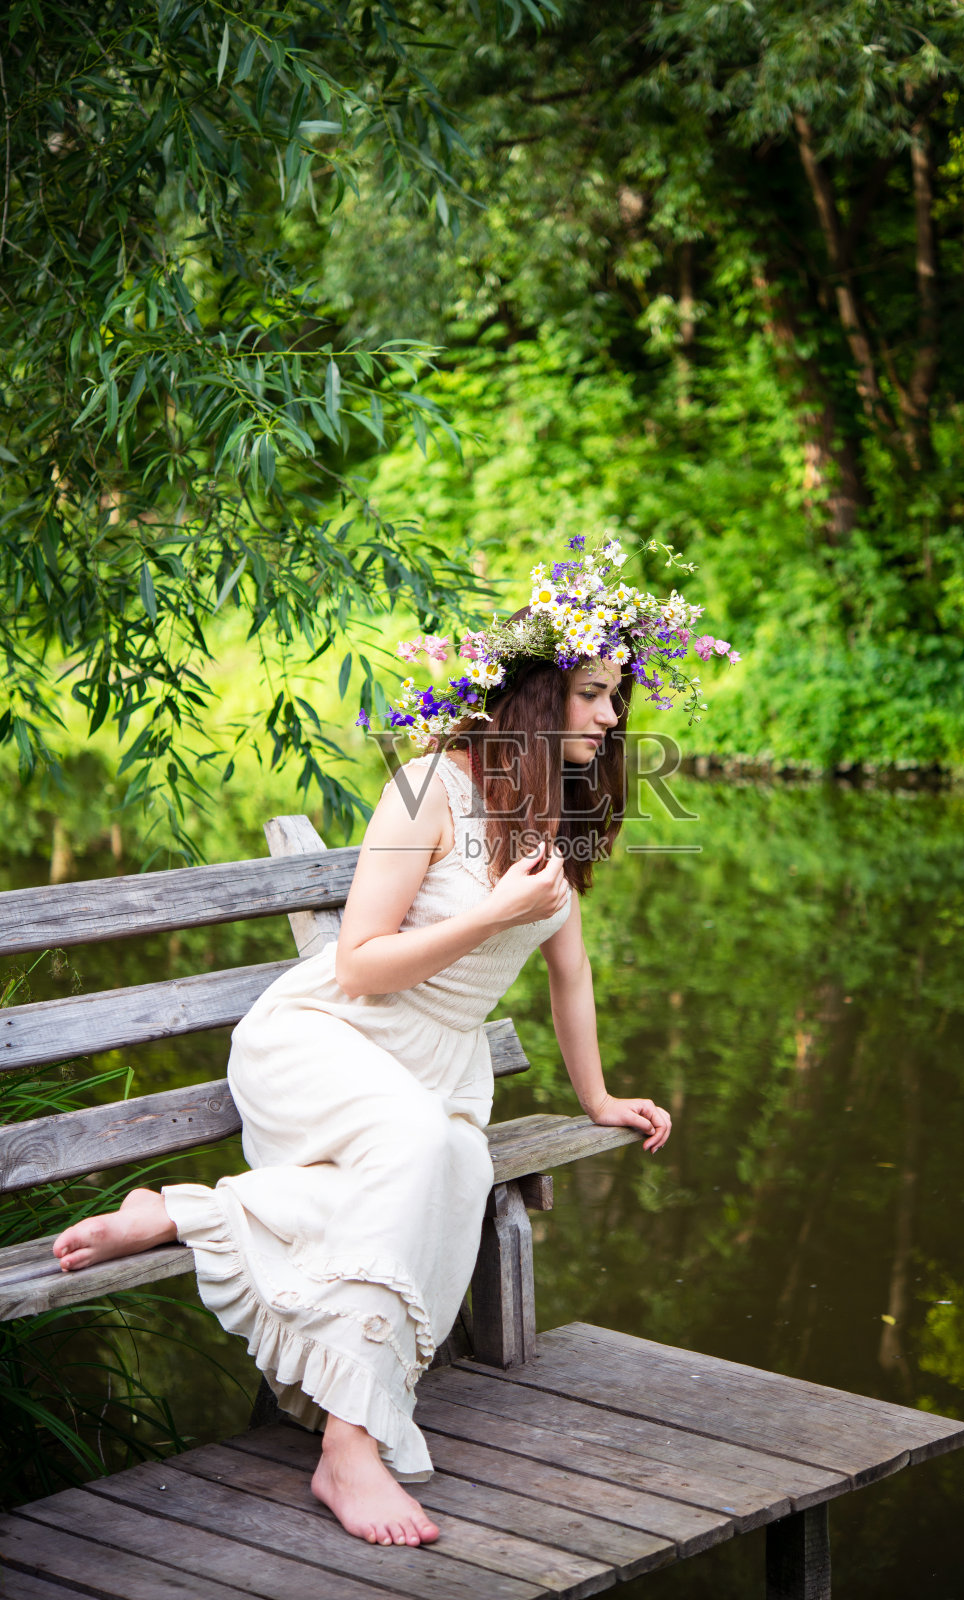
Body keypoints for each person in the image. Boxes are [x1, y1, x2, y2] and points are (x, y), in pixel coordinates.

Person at [51, 534, 729, 1550]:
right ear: (539, 695)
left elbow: (568, 967)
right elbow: (362, 961)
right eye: (593, 693)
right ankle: (347, 1440)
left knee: (451, 1157)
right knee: (421, 1146)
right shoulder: (428, 785)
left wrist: (596, 1097)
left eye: (619, 697)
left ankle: (185, 1210)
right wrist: (491, 910)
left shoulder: (558, 809)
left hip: (436, 1064)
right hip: (329, 1035)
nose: (612, 715)